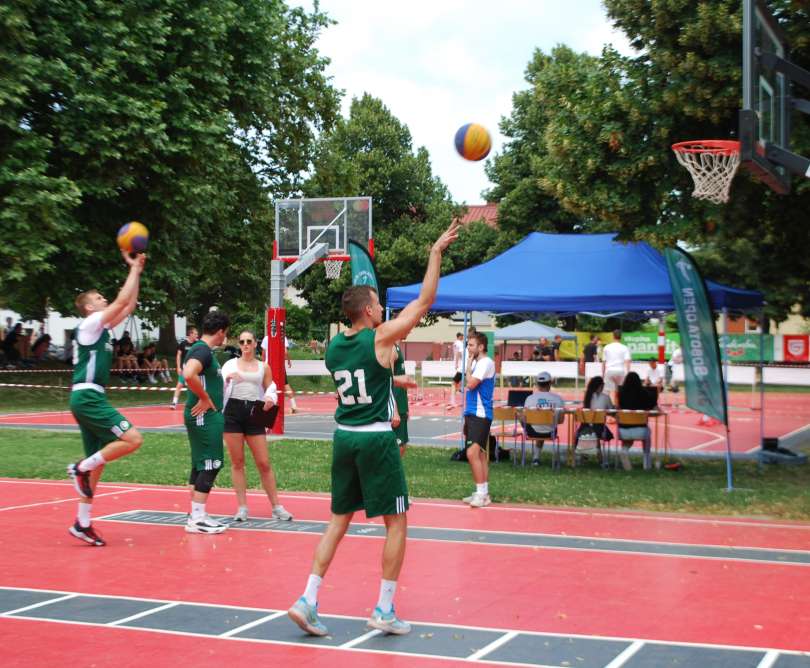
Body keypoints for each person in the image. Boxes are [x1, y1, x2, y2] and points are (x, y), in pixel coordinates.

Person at [287, 221, 458, 638]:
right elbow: (426, 300)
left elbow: (365, 378)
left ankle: (307, 599)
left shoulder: (333, 348)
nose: (383, 309)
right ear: (367, 310)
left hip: (343, 438)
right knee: (396, 523)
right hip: (376, 440)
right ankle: (383, 608)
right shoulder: (380, 339)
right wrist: (435, 252)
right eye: (378, 305)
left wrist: (392, 382)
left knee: (338, 520)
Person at [66, 251, 147, 546]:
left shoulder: (102, 330)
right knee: (133, 439)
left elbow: (130, 304)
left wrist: (136, 271)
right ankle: (78, 468)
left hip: (89, 397)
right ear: (89, 308)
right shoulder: (88, 326)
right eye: (99, 298)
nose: (104, 300)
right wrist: (133, 267)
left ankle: (82, 522)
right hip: (88, 397)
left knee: (96, 463)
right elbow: (121, 302)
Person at [222, 330, 293, 522]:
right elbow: (221, 386)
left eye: (249, 341)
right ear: (239, 344)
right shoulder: (230, 365)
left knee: (264, 463)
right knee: (238, 463)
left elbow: (270, 387)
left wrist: (270, 397)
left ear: (255, 344)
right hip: (233, 412)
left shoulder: (263, 366)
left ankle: (276, 506)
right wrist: (228, 380)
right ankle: (242, 508)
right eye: (242, 341)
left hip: (254, 411)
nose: (245, 345)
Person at [183, 310, 230, 534]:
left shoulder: (202, 350)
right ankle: (197, 519)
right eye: (226, 334)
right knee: (212, 463)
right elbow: (188, 373)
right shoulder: (202, 350)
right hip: (204, 415)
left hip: (205, 415)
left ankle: (195, 513)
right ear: (221, 332)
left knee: (201, 464)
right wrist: (204, 397)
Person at [461, 332, 497, 506]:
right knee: (481, 455)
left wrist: (468, 366)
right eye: (468, 345)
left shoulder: (485, 362)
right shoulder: (478, 363)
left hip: (480, 414)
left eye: (472, 345)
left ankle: (481, 493)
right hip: (473, 413)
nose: (469, 347)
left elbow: (471, 384)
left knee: (471, 453)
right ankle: (483, 493)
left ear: (481, 347)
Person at [522, 371, 565, 466]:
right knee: (544, 424)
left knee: (525, 419)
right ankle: (536, 457)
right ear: (550, 383)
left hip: (532, 432)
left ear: (537, 384)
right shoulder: (558, 399)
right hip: (551, 432)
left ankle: (536, 458)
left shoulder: (529, 399)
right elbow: (561, 420)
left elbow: (524, 419)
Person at [616, 371, 658, 471]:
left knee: (628, 438)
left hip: (623, 431)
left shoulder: (621, 394)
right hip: (641, 430)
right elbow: (654, 407)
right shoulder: (644, 393)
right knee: (647, 436)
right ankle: (646, 462)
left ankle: (624, 451)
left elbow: (617, 409)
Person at [574, 376, 614, 461]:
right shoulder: (605, 397)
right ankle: (599, 459)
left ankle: (584, 456)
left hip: (584, 429)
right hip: (599, 429)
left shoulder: (587, 396)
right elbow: (611, 411)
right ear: (600, 386)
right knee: (596, 432)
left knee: (589, 430)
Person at [260, 335, 299, 413]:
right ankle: (293, 405)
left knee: (265, 384)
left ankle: (264, 403)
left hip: (269, 364)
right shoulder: (282, 337)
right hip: (279, 365)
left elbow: (263, 352)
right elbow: (285, 352)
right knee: (285, 384)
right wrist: (288, 360)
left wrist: (263, 362)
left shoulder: (266, 338)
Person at [171, 327, 199, 409]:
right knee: (179, 385)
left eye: (197, 334)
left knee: (193, 387)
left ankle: (193, 402)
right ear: (190, 334)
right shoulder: (183, 344)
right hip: (184, 368)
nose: (197, 335)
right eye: (195, 334)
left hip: (194, 369)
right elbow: (178, 356)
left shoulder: (197, 344)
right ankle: (174, 402)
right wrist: (178, 367)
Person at [602, 329, 631, 406]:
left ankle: (612, 411)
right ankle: (619, 411)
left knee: (611, 392)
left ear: (613, 336)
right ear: (621, 337)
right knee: (620, 392)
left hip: (610, 371)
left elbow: (604, 362)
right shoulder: (625, 348)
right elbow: (627, 362)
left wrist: (603, 374)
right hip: (620, 371)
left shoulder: (606, 347)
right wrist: (627, 374)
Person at [450, 332, 465, 407]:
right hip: (460, 365)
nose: (463, 337)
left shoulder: (455, 343)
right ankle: (453, 399)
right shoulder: (460, 343)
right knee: (455, 383)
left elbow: (456, 353)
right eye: (462, 336)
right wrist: (456, 363)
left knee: (455, 383)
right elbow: (458, 353)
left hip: (458, 364)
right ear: (459, 336)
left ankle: (455, 395)